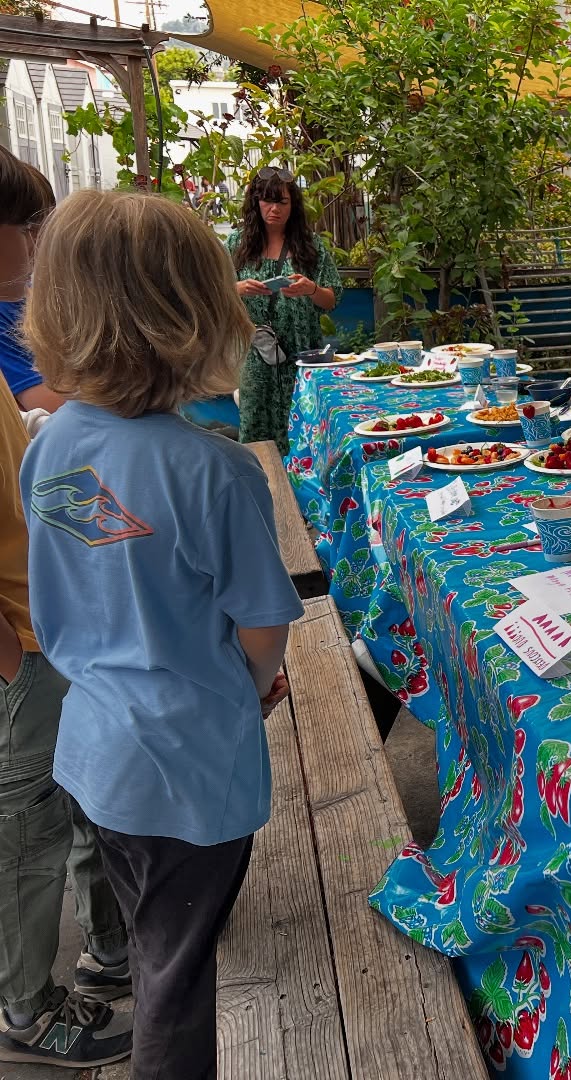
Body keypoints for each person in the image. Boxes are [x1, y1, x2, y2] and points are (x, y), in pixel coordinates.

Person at [19, 189, 305, 1077]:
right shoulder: (215, 473)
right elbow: (263, 627)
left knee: (154, 949)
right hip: (191, 765)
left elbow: (85, 569)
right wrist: (255, 691)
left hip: (97, 754)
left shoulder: (51, 443)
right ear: (195, 311)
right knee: (176, 989)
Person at [0, 152, 132, 1070]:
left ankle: (92, 960)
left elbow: (34, 486)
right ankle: (24, 1005)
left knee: (67, 807)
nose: (40, 245)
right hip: (20, 643)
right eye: (30, 226)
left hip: (51, 623)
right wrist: (10, 655)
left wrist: (130, 545)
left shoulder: (14, 324)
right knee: (25, 832)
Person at [230, 166, 341, 453]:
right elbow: (210, 295)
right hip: (257, 356)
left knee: (307, 432)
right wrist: (238, 289)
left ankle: (304, 495)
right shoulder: (236, 245)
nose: (274, 208)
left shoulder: (310, 246)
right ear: (255, 201)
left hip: (304, 355)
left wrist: (311, 289)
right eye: (267, 200)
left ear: (293, 205)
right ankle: (263, 492)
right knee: (257, 431)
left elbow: (331, 299)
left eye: (282, 201)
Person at [0, 153, 65, 413]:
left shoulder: (34, 297)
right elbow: (50, 407)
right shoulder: (5, 314)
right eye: (27, 228)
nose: (37, 243)